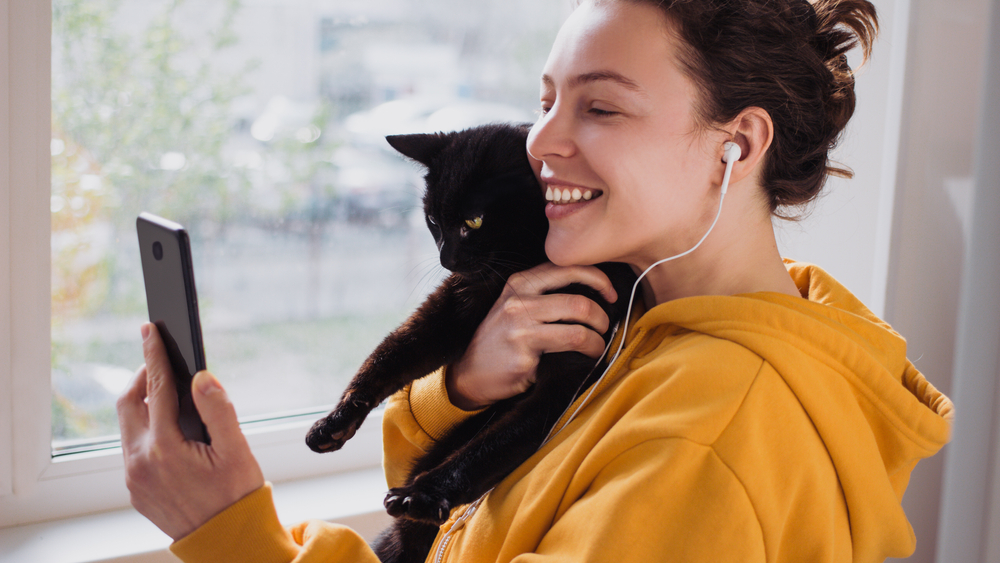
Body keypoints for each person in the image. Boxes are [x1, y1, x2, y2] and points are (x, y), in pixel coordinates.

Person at [117, 0, 954, 561]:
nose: (540, 140)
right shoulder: (648, 317)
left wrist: (229, 531)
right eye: (547, 98)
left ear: (735, 144)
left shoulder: (704, 436)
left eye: (601, 107)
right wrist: (466, 388)